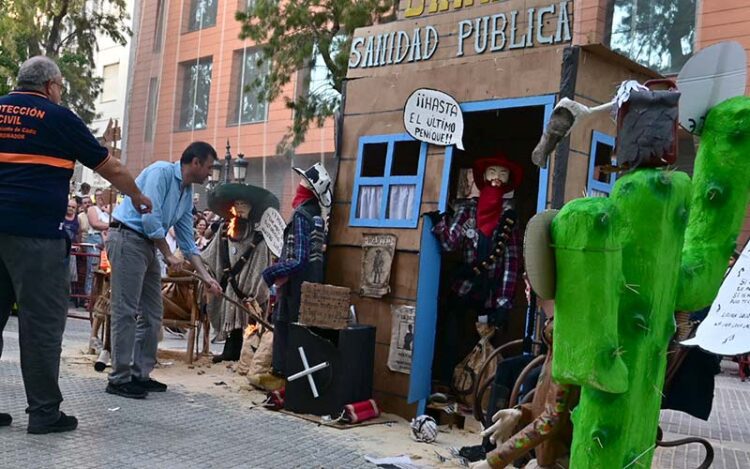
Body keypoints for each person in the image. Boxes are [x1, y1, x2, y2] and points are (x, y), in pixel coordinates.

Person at [0, 56, 152, 434]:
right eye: (61, 86)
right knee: (41, 327)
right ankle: (44, 413)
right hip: (36, 237)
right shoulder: (58, 117)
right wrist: (136, 196)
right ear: (50, 85)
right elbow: (109, 166)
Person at [106, 141, 222, 399]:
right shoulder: (161, 172)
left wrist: (206, 278)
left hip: (148, 245)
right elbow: (149, 218)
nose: (209, 174)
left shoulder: (185, 192)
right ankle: (119, 378)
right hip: (128, 238)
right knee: (125, 311)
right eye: (209, 167)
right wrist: (168, 254)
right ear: (195, 163)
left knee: (153, 313)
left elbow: (188, 242)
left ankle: (140, 374)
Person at [426, 154, 523, 384]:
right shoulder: (468, 211)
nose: (496, 179)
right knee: (451, 337)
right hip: (464, 288)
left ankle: (478, 394)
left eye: (503, 174)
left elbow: (511, 263)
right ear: (483, 177)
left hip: (490, 295)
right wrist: (439, 222)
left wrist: (503, 303)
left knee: (485, 349)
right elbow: (450, 243)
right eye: (492, 172)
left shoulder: (509, 219)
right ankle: (446, 384)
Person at [262, 163, 331, 376]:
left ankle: (284, 379)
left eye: (301, 184)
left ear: (308, 191)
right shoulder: (317, 217)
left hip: (295, 291)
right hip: (311, 287)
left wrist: (270, 273)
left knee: (287, 334)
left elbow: (298, 260)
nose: (297, 187)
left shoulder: (302, 216)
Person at [201, 183, 277, 362]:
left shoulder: (260, 237)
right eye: (237, 204)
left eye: (245, 204)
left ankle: (247, 353)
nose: (240, 208)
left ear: (253, 208)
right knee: (228, 315)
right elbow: (210, 255)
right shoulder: (223, 231)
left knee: (248, 322)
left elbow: (262, 264)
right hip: (228, 285)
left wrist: (255, 289)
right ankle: (230, 349)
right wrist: (206, 273)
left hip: (247, 289)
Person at [84, 188, 111, 296]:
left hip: (109, 239)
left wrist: (110, 212)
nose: (100, 198)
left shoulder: (112, 209)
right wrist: (110, 226)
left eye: (102, 195)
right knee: (92, 269)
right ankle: (89, 296)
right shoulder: (92, 209)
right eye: (98, 195)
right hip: (96, 239)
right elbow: (95, 223)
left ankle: (103, 296)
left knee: (108, 271)